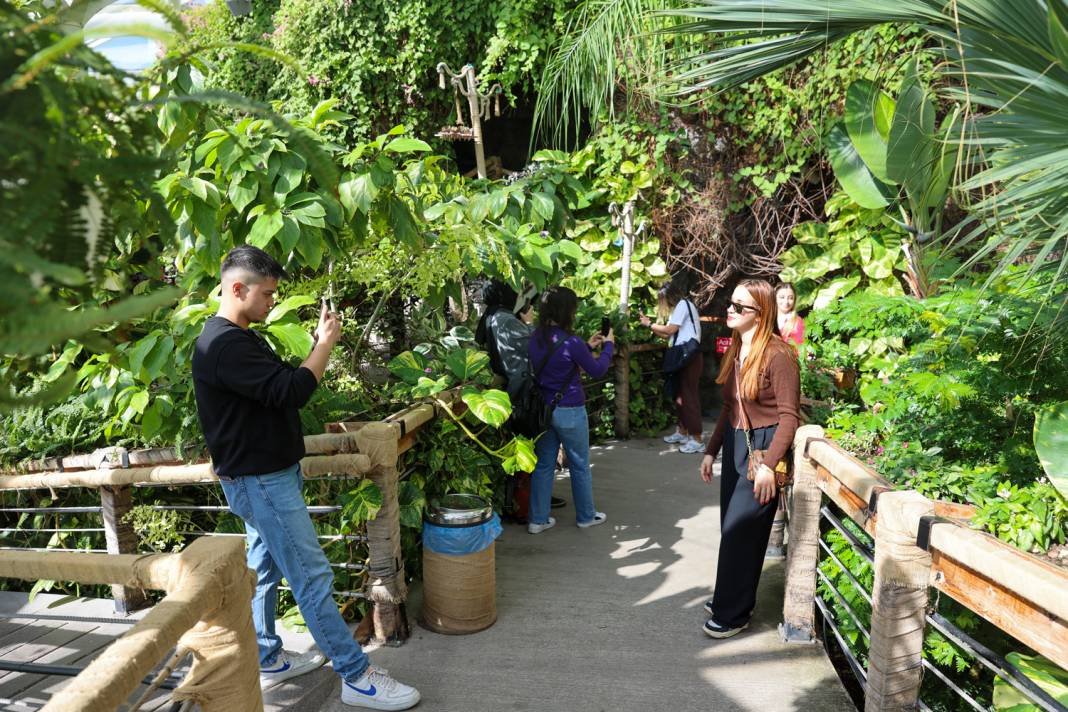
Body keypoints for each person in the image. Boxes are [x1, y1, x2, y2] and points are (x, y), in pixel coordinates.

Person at [191, 245, 420, 710]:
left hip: (265, 477)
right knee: (311, 575)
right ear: (238, 288)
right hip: (261, 482)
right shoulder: (223, 345)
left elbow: (276, 392)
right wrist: (325, 343)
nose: (273, 301)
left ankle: (265, 656)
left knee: (265, 567)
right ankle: (356, 676)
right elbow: (293, 391)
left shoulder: (240, 337)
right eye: (268, 293)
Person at [698, 279, 800, 639]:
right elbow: (729, 406)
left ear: (761, 313)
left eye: (740, 307)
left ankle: (733, 613)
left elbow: (790, 416)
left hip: (765, 446)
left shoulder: (779, 354)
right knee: (732, 527)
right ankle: (731, 596)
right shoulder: (737, 348)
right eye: (731, 303)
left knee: (742, 530)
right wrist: (711, 451)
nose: (730, 310)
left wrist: (771, 464)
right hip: (737, 443)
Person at [525, 286, 613, 534]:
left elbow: (556, 360)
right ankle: (586, 516)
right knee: (579, 464)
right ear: (567, 311)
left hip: (544, 410)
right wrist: (608, 346)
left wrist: (586, 345)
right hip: (570, 410)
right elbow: (597, 370)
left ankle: (537, 520)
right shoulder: (571, 342)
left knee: (543, 464)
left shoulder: (536, 337)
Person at [475, 279, 566, 514]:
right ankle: (528, 503)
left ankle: (530, 499)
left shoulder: (493, 314)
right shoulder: (504, 318)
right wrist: (528, 321)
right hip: (521, 392)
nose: (520, 299)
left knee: (525, 449)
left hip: (514, 389)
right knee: (528, 448)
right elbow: (535, 343)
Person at [640, 283, 703, 454]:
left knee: (688, 397)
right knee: (680, 396)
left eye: (663, 299)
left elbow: (669, 330)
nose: (663, 303)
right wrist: (650, 325)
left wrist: (649, 324)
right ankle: (683, 432)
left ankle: (697, 438)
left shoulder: (683, 305)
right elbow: (667, 333)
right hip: (682, 357)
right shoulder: (678, 308)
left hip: (688, 357)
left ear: (671, 296)